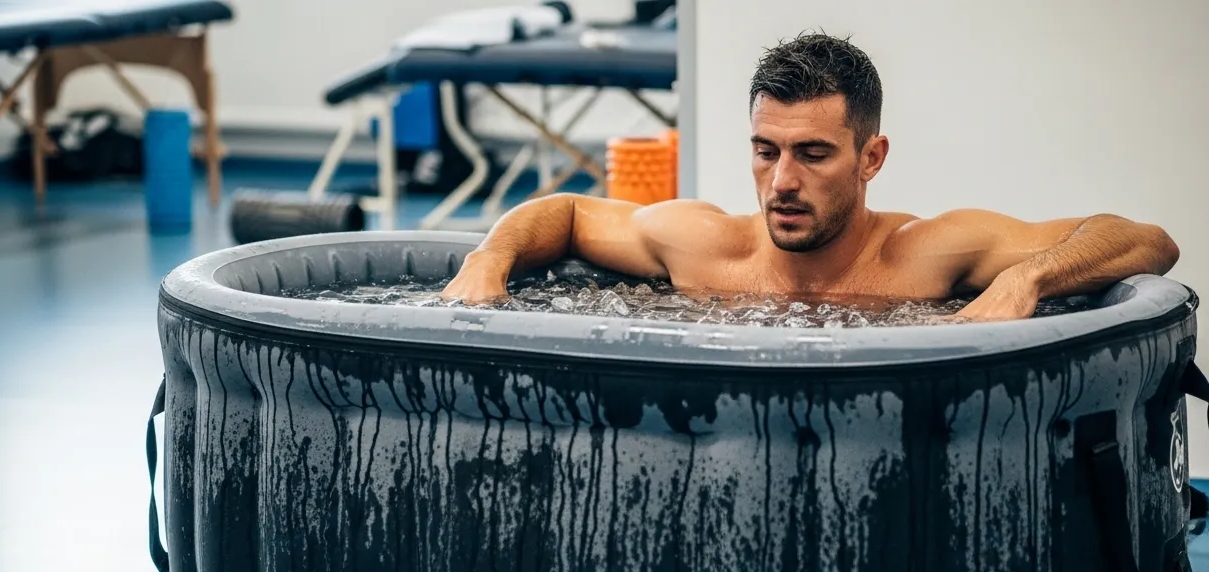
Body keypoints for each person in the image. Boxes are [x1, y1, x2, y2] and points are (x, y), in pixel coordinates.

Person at [442, 33, 1179, 321]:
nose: (781, 181)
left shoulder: (928, 253)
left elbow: (1143, 241)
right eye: (766, 151)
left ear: (871, 158)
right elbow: (568, 213)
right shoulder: (705, 247)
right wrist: (489, 257)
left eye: (813, 154)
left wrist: (1027, 281)